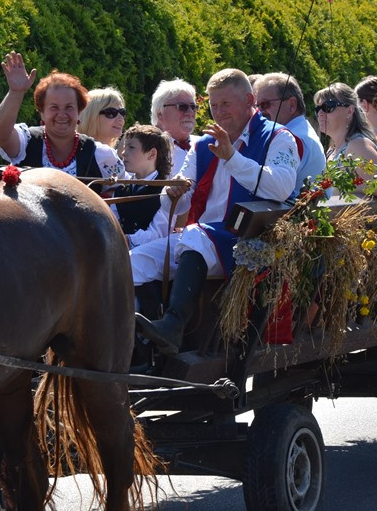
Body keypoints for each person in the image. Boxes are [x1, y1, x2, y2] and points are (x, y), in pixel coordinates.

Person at [132, 68, 301, 355]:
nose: (218, 112)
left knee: (194, 236)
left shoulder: (278, 138)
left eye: (226, 104)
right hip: (201, 244)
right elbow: (179, 202)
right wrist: (172, 193)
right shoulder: (202, 144)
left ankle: (173, 325)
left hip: (246, 241)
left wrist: (232, 157)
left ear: (249, 100)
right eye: (213, 105)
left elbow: (281, 187)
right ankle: (140, 341)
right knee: (134, 261)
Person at [0, 51, 123, 179]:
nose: (62, 114)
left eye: (69, 107)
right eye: (54, 107)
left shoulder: (102, 156)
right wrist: (15, 92)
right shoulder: (27, 142)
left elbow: (125, 192)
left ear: (79, 112)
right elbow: (2, 136)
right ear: (42, 113)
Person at [314, 82, 377, 195]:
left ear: (349, 110)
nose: (320, 113)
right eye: (318, 108)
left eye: (328, 107)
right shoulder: (333, 149)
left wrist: (343, 187)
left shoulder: (357, 144)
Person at [254, 72, 326, 192]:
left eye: (265, 104)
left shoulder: (292, 138)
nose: (260, 112)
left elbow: (271, 188)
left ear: (292, 105)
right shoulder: (302, 131)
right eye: (257, 107)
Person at [114, 124, 173, 248]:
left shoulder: (167, 192)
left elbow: (158, 234)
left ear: (152, 154)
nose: (124, 153)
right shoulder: (121, 189)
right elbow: (111, 220)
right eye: (124, 147)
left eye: (131, 147)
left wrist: (126, 240)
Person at [149, 78, 200, 177]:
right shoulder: (146, 149)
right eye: (182, 107)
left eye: (193, 107)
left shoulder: (205, 145)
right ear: (160, 113)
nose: (190, 113)